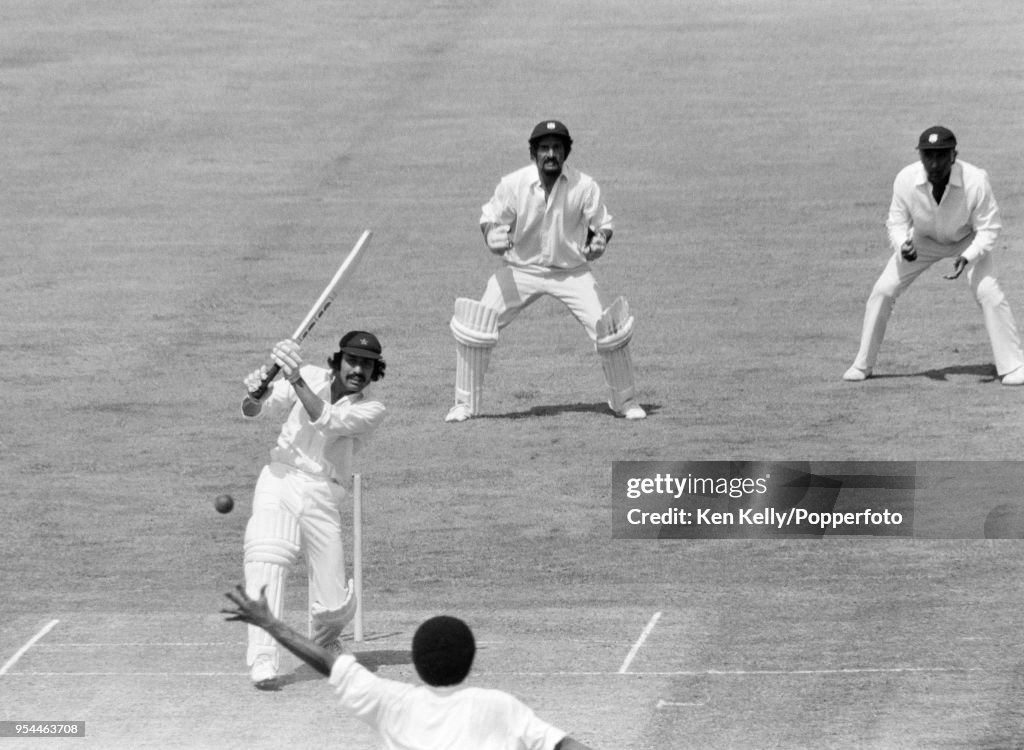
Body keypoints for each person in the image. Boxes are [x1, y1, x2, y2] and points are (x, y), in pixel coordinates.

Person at [222, 585, 595, 750]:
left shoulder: (393, 702)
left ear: (416, 663)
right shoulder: (499, 706)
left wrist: (271, 623)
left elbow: (329, 663)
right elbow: (561, 745)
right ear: (469, 662)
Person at [445, 119, 646, 422]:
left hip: (571, 272)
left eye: (556, 148)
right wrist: (490, 234)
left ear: (566, 152)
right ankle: (464, 404)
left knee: (609, 331)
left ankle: (625, 402)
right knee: (476, 327)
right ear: (534, 153)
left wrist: (599, 241)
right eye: (544, 148)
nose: (550, 154)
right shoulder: (513, 184)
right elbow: (489, 217)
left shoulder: (585, 186)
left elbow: (602, 225)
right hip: (521, 270)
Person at [239, 331, 387, 690]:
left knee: (334, 606)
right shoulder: (310, 375)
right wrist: (257, 391)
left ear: (374, 371)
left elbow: (328, 420)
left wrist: (293, 376)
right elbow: (253, 410)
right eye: (352, 360)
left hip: (323, 492)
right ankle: (262, 658)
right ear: (338, 360)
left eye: (367, 365)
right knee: (267, 552)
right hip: (280, 476)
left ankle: (324, 641)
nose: (358, 370)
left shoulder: (372, 408)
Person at [843, 125, 1024, 385]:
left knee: (988, 292)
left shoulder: (976, 180)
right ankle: (862, 365)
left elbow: (989, 227)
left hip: (967, 240)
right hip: (923, 241)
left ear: (954, 155)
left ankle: (1013, 366)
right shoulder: (905, 179)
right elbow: (896, 221)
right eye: (928, 155)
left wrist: (969, 256)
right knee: (883, 290)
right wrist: (903, 244)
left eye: (941, 155)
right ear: (921, 156)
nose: (935, 163)